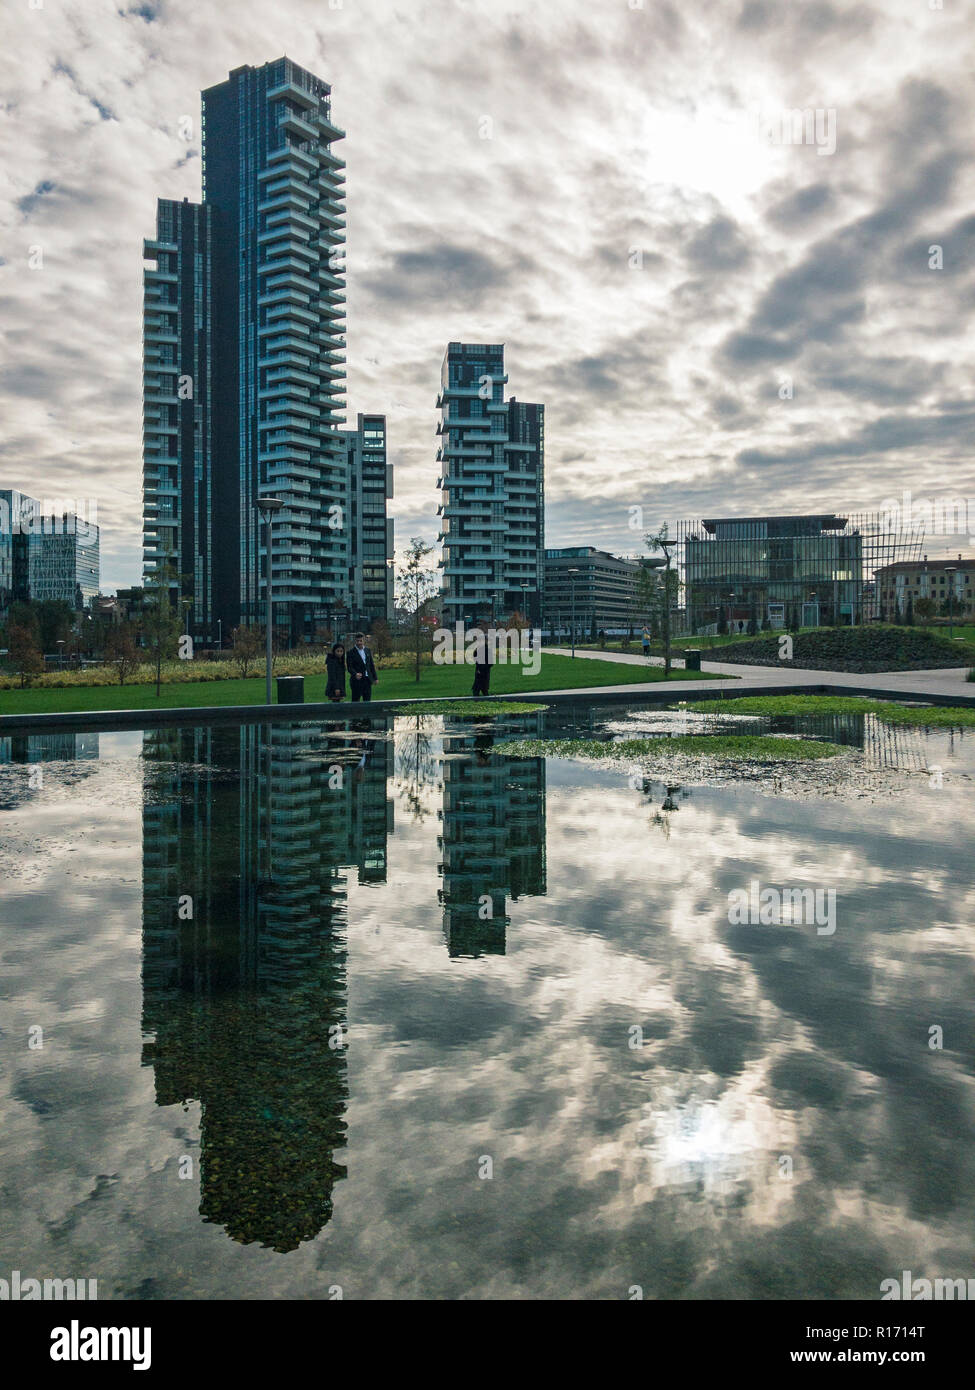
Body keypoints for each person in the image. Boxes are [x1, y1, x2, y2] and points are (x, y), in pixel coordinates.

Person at [346, 632, 378, 702]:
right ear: (355, 641)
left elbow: (371, 665)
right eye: (357, 641)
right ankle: (355, 713)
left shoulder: (367, 650)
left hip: (367, 680)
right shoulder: (350, 653)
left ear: (364, 640)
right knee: (355, 702)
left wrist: (375, 678)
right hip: (356, 681)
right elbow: (349, 667)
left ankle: (367, 713)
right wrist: (355, 674)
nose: (359, 643)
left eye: (361, 641)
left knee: (367, 701)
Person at [471, 623, 492, 698]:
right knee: (481, 689)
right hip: (481, 671)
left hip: (482, 671)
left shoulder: (485, 649)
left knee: (481, 689)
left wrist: (481, 667)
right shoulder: (481, 649)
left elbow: (490, 663)